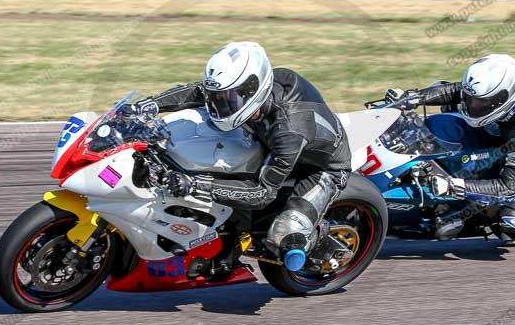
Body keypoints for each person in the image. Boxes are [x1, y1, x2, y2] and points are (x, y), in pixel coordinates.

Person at [128, 42, 351, 270]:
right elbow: (200, 92)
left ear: (252, 90)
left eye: (228, 99)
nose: (218, 104)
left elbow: (261, 193)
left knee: (283, 234)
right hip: (265, 139)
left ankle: (316, 241)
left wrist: (194, 185)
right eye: (218, 97)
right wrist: (150, 105)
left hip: (318, 169)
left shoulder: (289, 131)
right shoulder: (252, 91)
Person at [385, 54, 515, 244]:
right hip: (501, 131)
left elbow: (507, 188)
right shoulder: (497, 89)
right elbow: (456, 90)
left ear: (501, 100)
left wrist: (453, 186)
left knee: (512, 225)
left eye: (479, 103)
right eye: (470, 99)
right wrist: (412, 98)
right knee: (439, 89)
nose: (470, 105)